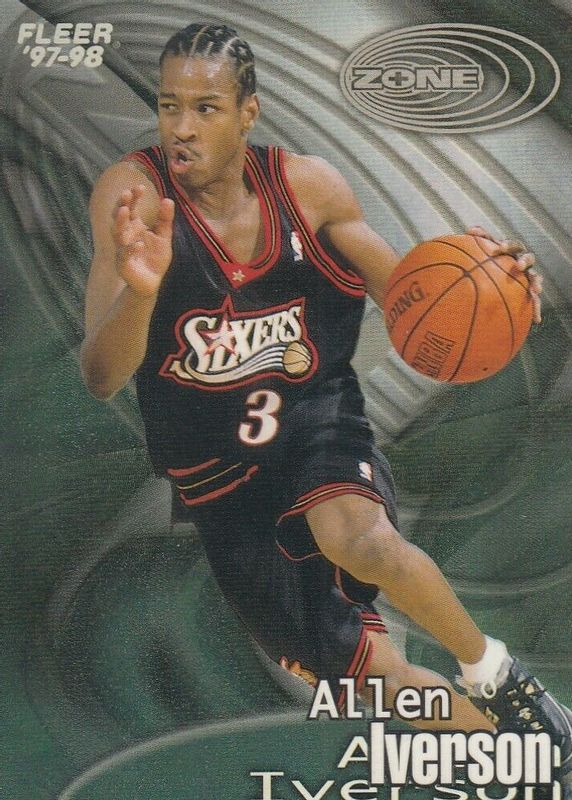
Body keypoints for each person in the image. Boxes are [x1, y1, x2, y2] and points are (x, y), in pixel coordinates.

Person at [80, 21, 570, 790]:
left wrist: (492, 287)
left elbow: (415, 308)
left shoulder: (309, 190)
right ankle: (532, 767)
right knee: (379, 678)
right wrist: (141, 294)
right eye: (170, 105)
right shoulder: (134, 197)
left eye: (205, 108)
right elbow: (102, 375)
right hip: (220, 488)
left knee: (358, 538)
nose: (181, 127)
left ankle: (495, 671)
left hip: (318, 429)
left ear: (249, 112)